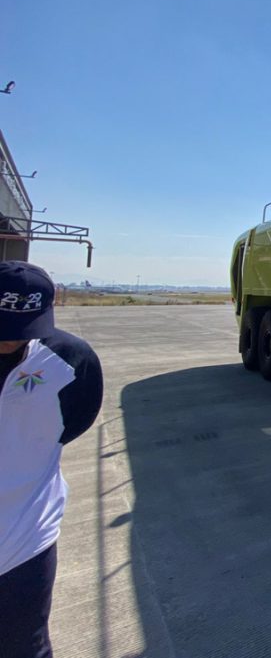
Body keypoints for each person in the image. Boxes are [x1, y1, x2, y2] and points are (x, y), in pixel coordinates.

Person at [0, 261, 103, 658]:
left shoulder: (70, 359)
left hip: (27, 536)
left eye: (23, 328)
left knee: (25, 644)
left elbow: (76, 421)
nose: (11, 340)